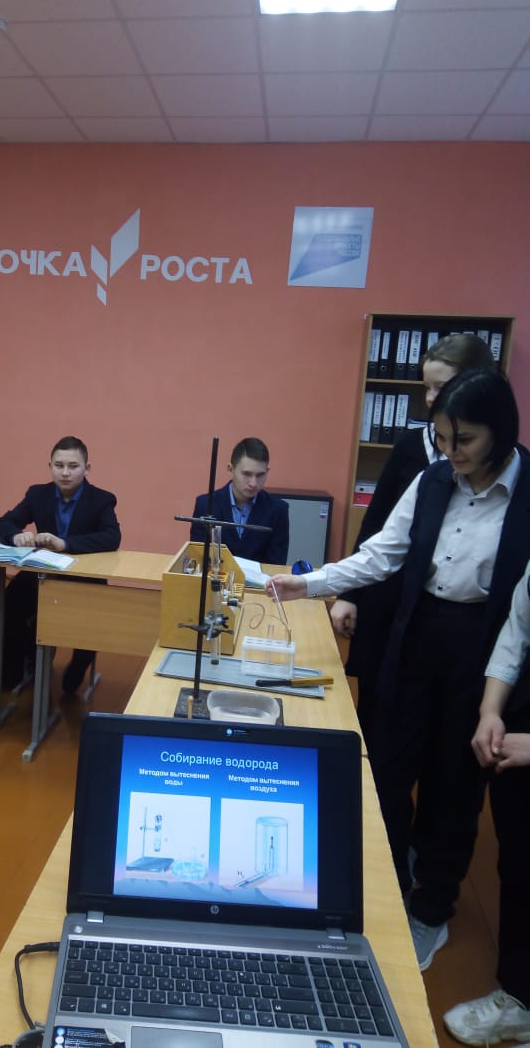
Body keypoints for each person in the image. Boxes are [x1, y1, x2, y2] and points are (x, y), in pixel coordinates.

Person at [267, 368, 530, 973]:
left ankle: (432, 907)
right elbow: (383, 553)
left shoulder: (526, 490)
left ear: (500, 430)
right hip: (416, 636)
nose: (450, 451)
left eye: (464, 439)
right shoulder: (434, 478)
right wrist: (312, 584)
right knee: (387, 766)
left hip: (483, 649)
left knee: (453, 786)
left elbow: (520, 616)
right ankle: (382, 886)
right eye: (442, 438)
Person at [331, 334, 496, 743]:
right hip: (389, 600)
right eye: (427, 387)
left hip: (448, 620)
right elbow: (377, 529)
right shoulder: (411, 447)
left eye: (442, 386)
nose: (432, 397)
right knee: (379, 714)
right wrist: (349, 593)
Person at [443, 561, 530, 1046]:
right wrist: (491, 710)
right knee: (518, 866)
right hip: (519, 731)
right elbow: (517, 631)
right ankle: (519, 999)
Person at [0, 435, 120, 694]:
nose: (65, 472)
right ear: (50, 467)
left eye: (73, 466)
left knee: (86, 623)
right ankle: (23, 661)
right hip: (42, 573)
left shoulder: (101, 499)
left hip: (83, 577)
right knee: (8, 606)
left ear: (87, 468)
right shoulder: (38, 494)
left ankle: (80, 663)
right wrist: (15, 536)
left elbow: (112, 537)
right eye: (59, 466)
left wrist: (65, 543)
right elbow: (3, 523)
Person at [190, 437, 289, 565]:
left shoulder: (278, 510)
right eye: (247, 474)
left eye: (260, 475)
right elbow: (198, 560)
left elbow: (276, 566)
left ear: (267, 472)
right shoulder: (205, 505)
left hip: (260, 579)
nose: (253, 483)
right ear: (230, 470)